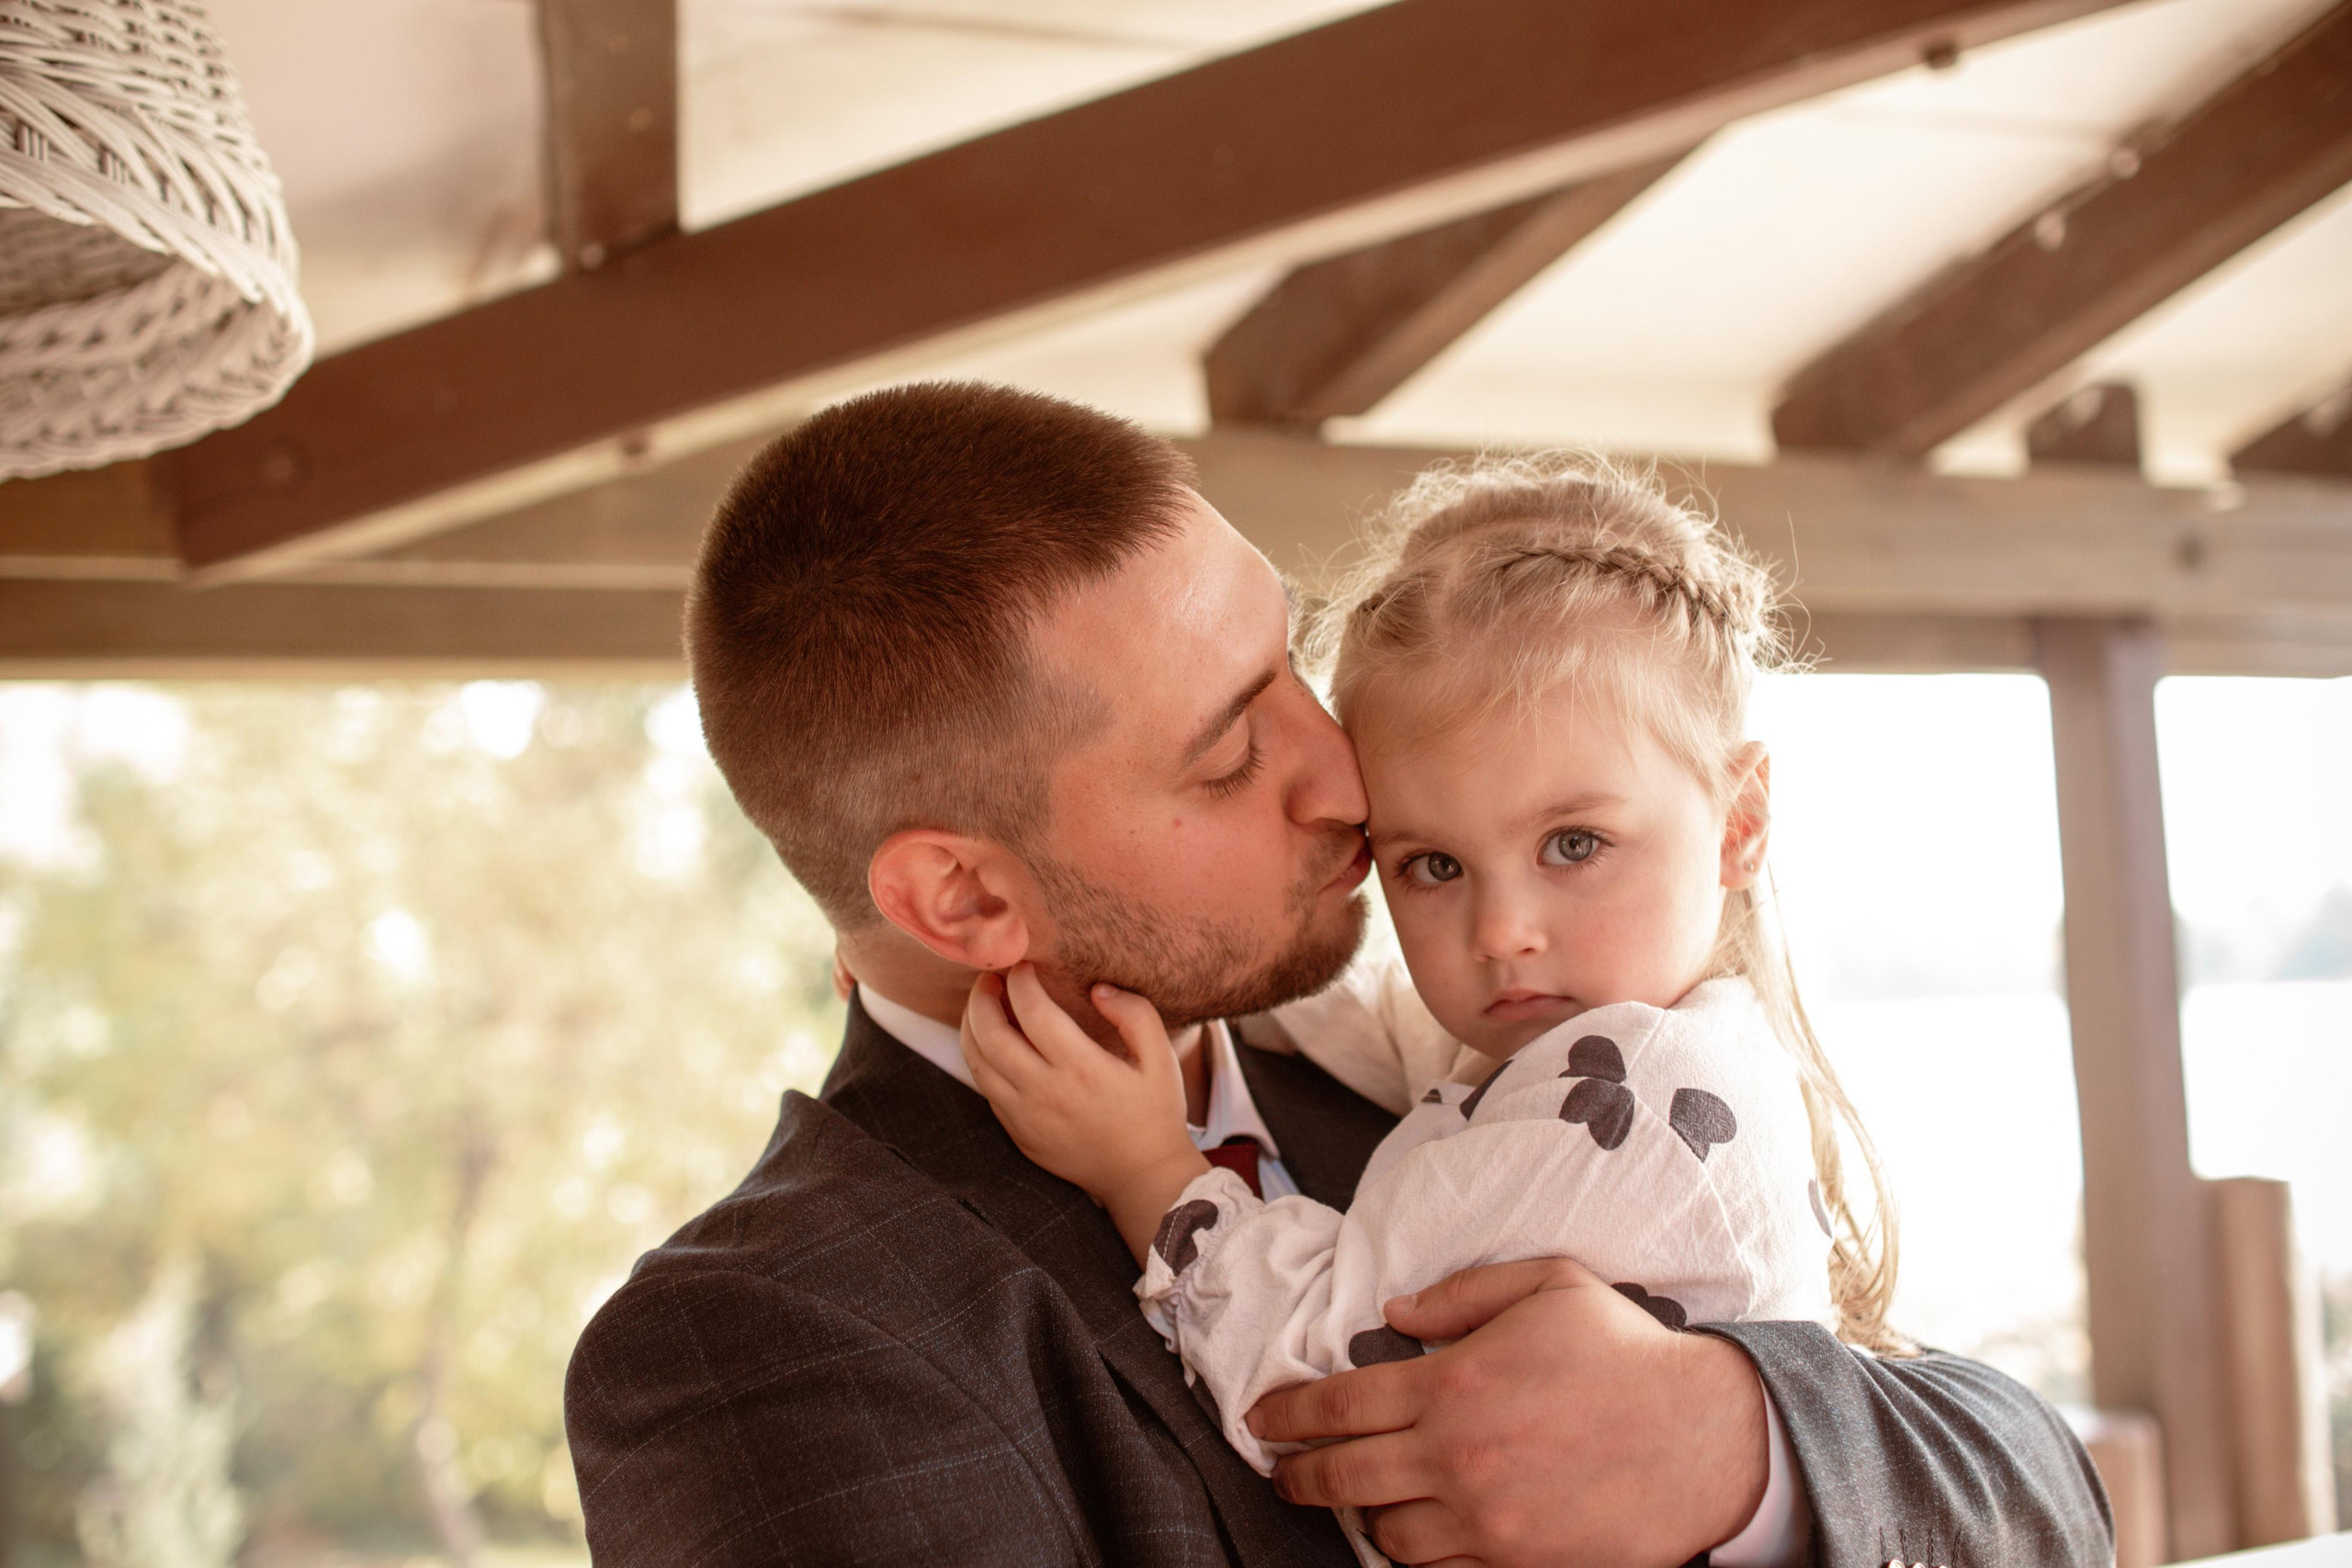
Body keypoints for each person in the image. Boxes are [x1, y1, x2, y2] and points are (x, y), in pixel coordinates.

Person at [564, 382, 2111, 1566]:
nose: (1345, 778)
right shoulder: (762, 1343)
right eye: (1234, 748)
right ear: (963, 892)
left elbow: (2046, 1497)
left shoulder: (1453, 1056)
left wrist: (1740, 1446)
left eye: (1294, 664)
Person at [956, 454, 1904, 1566]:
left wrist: (1146, 1172)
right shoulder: (1625, 1036)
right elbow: (1368, 1019)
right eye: (1432, 865)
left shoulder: (1629, 1094)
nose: (1503, 931)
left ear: (1739, 821)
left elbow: (1320, 1378)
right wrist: (1014, 917)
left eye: (1574, 844)